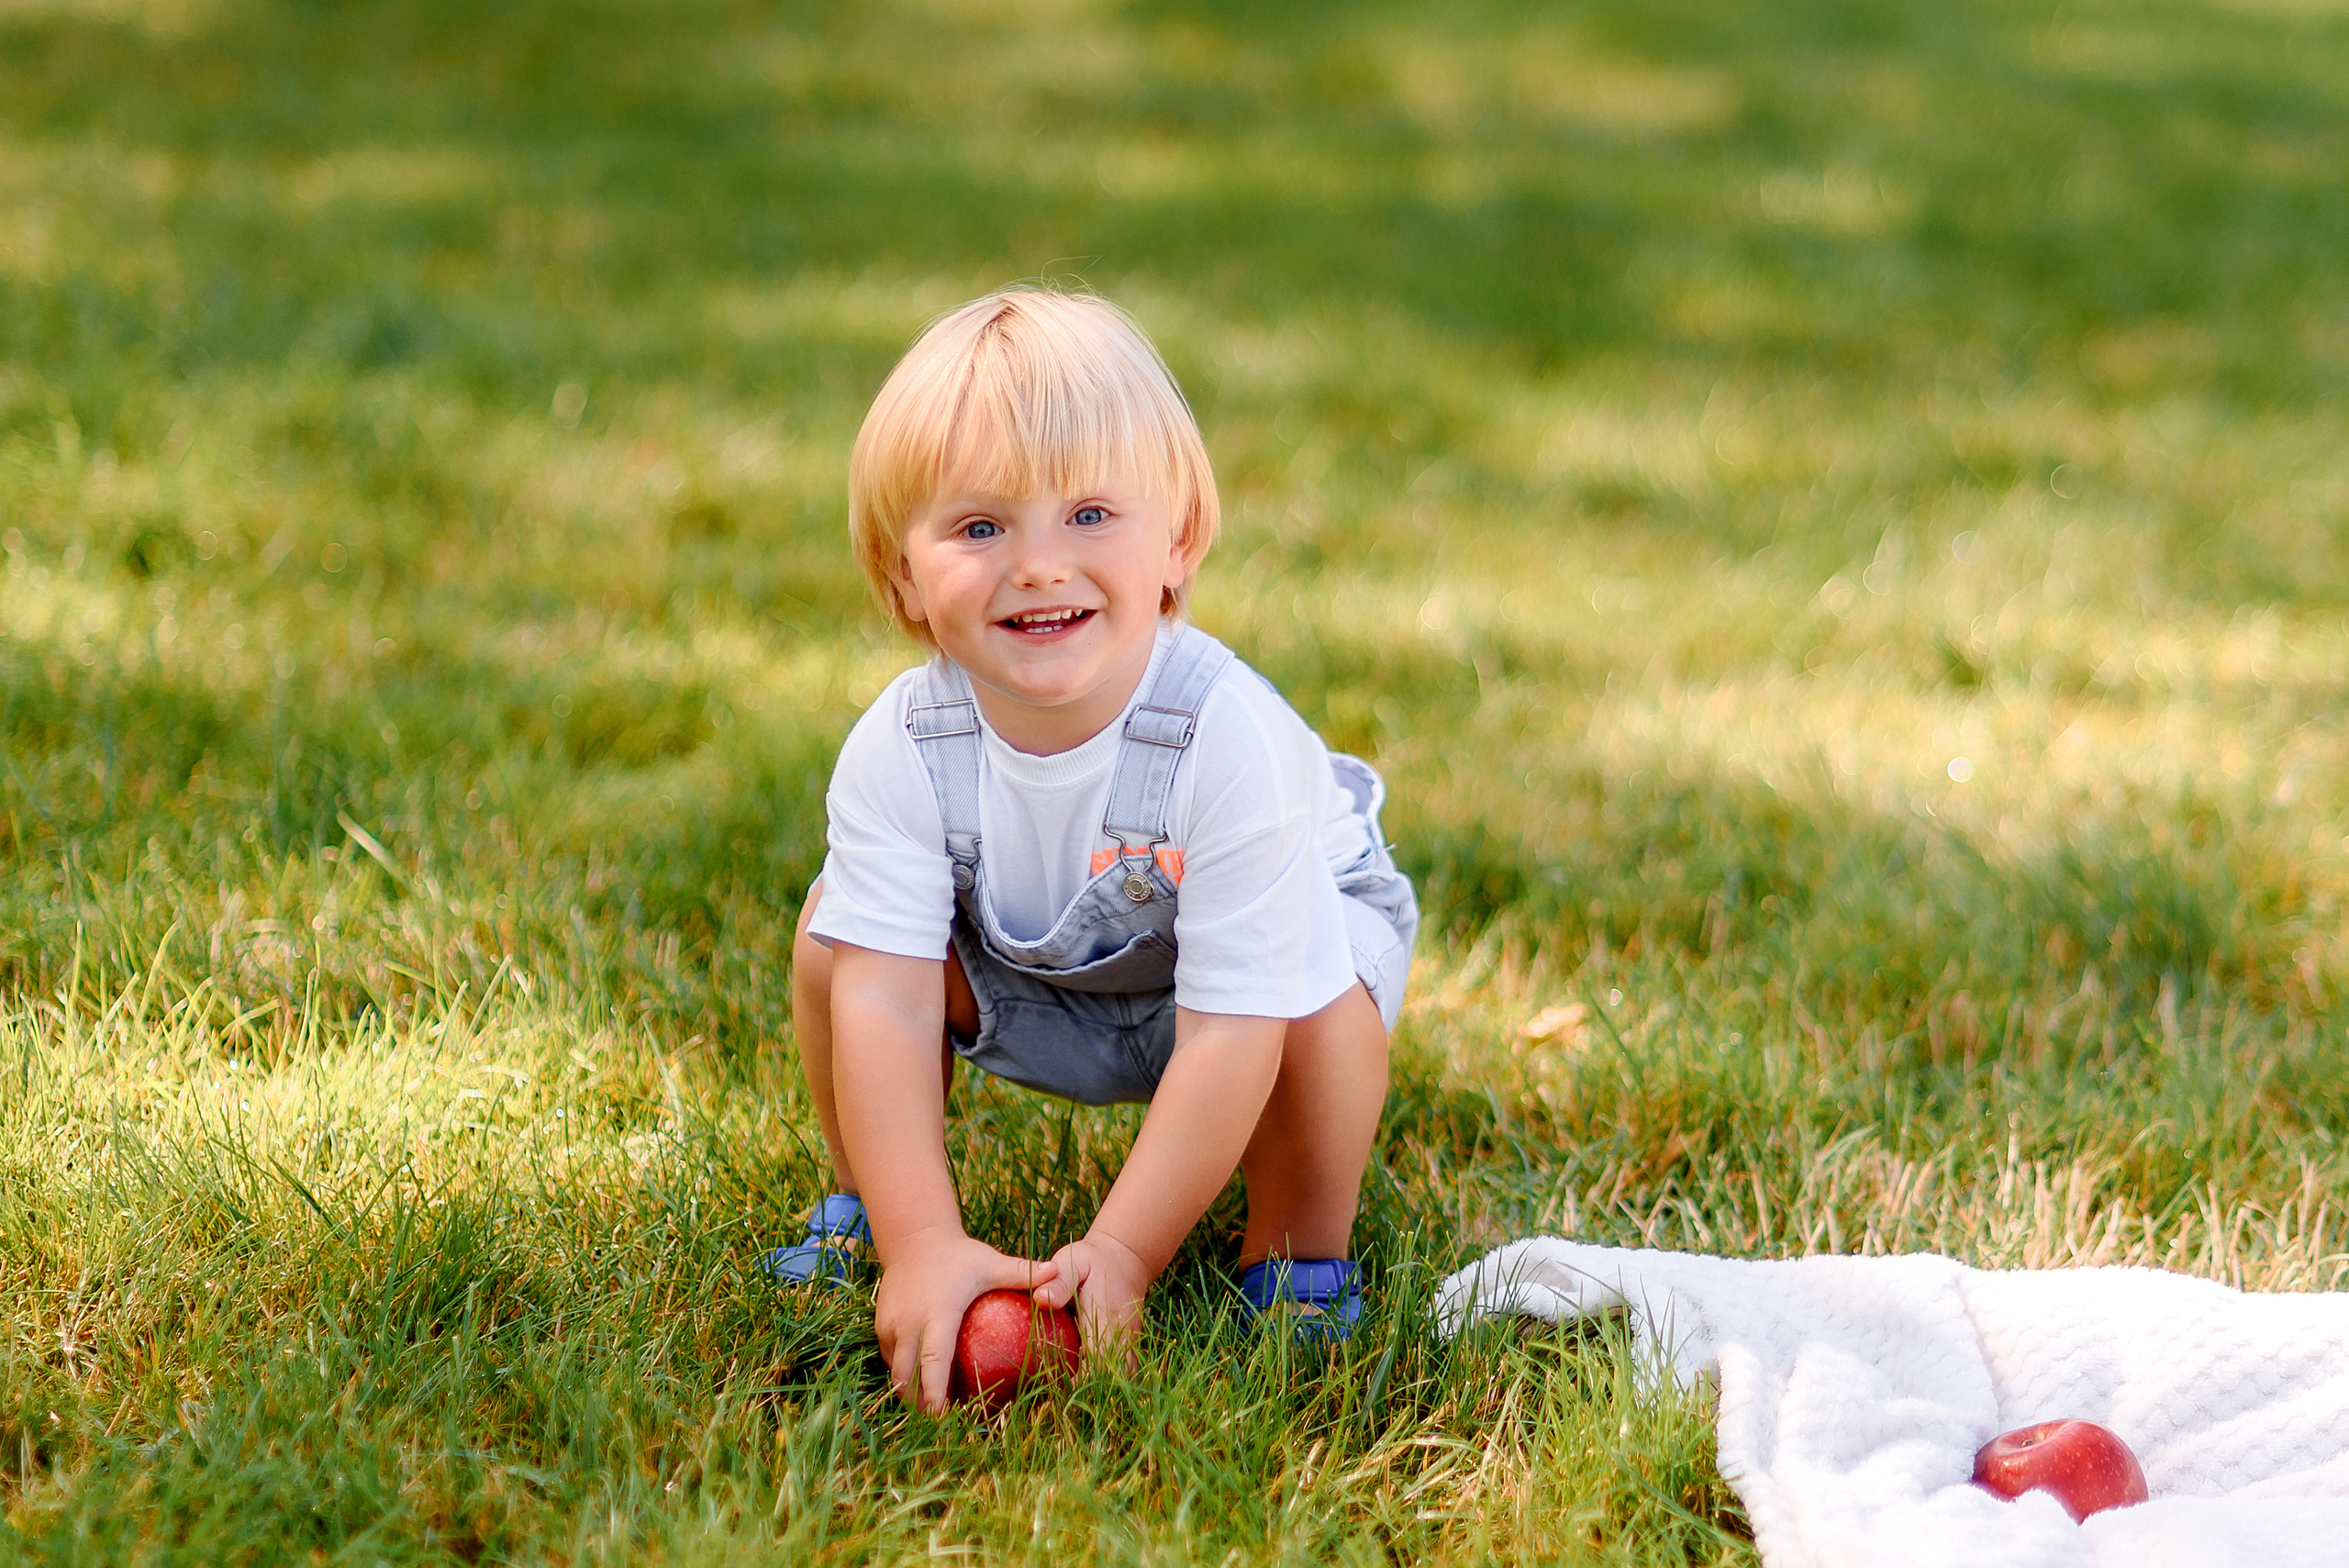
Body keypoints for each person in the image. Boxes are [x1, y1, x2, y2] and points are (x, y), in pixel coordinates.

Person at [763, 286, 1417, 1413]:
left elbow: (1231, 1029)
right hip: (1037, 983)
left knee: (1321, 995)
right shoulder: (902, 747)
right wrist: (928, 1244)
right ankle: (877, 1199)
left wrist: (1121, 1252)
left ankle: (1297, 1257)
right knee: (838, 938)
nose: (1038, 564)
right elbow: (886, 1002)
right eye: (979, 527)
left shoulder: (1228, 736)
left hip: (1242, 1001)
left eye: (1090, 515)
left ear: (1179, 540)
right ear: (902, 575)